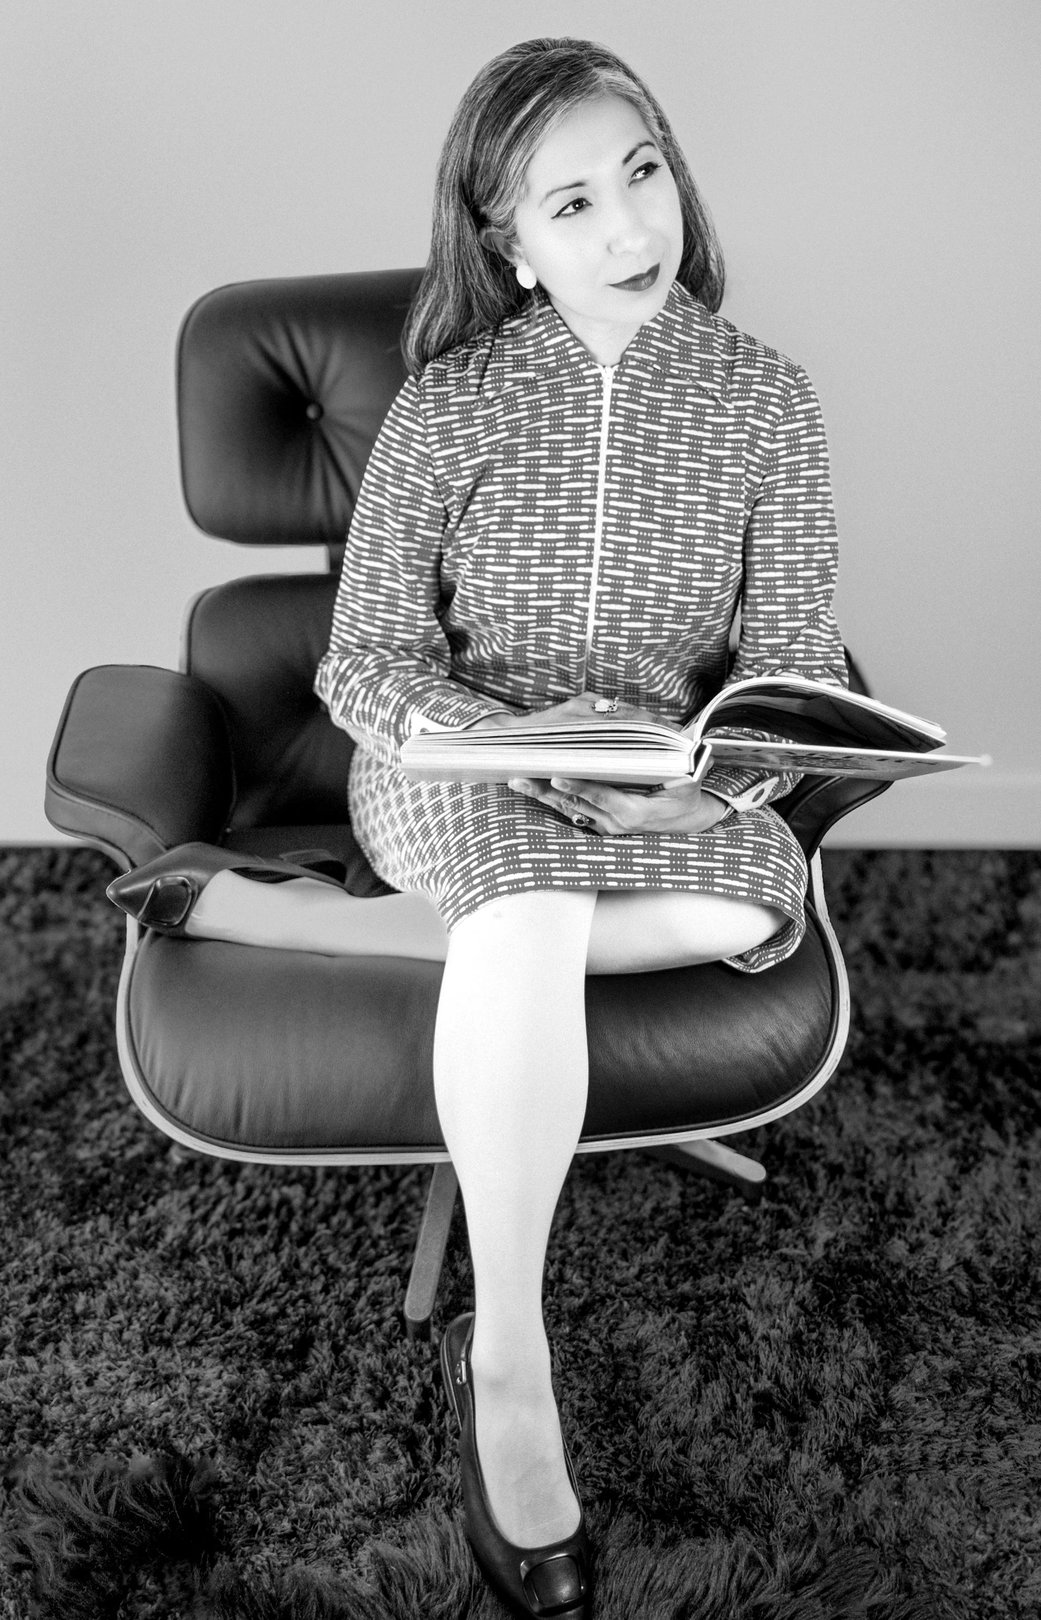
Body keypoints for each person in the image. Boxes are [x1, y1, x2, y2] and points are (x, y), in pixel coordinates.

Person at [205, 35, 849, 1620]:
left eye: (641, 175)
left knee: (746, 911)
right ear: (505, 240)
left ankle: (338, 922)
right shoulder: (448, 404)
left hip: (659, 798)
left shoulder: (764, 399)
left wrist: (705, 779)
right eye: (572, 203)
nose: (630, 231)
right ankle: (510, 1362)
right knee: (530, 904)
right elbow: (364, 662)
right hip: (458, 771)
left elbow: (794, 664)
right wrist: (499, 748)